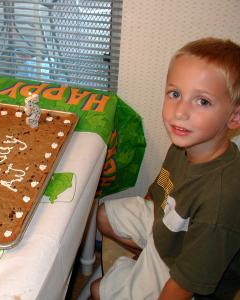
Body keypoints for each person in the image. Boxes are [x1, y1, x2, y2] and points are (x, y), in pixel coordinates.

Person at [90, 37, 240, 300]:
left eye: (202, 101)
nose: (180, 112)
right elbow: (160, 193)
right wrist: (148, 245)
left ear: (235, 116)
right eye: (175, 94)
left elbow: (184, 285)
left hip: (186, 272)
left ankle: (150, 269)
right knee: (103, 215)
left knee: (96, 291)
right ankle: (148, 259)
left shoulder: (220, 199)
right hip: (170, 227)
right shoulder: (185, 144)